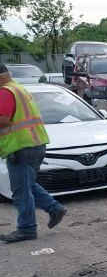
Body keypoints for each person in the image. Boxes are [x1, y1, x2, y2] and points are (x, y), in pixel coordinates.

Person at [0, 63, 66, 243]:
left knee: (21, 191)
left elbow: (3, 120)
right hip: (34, 144)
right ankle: (54, 208)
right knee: (27, 185)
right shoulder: (18, 89)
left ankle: (27, 229)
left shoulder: (5, 92)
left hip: (20, 147)